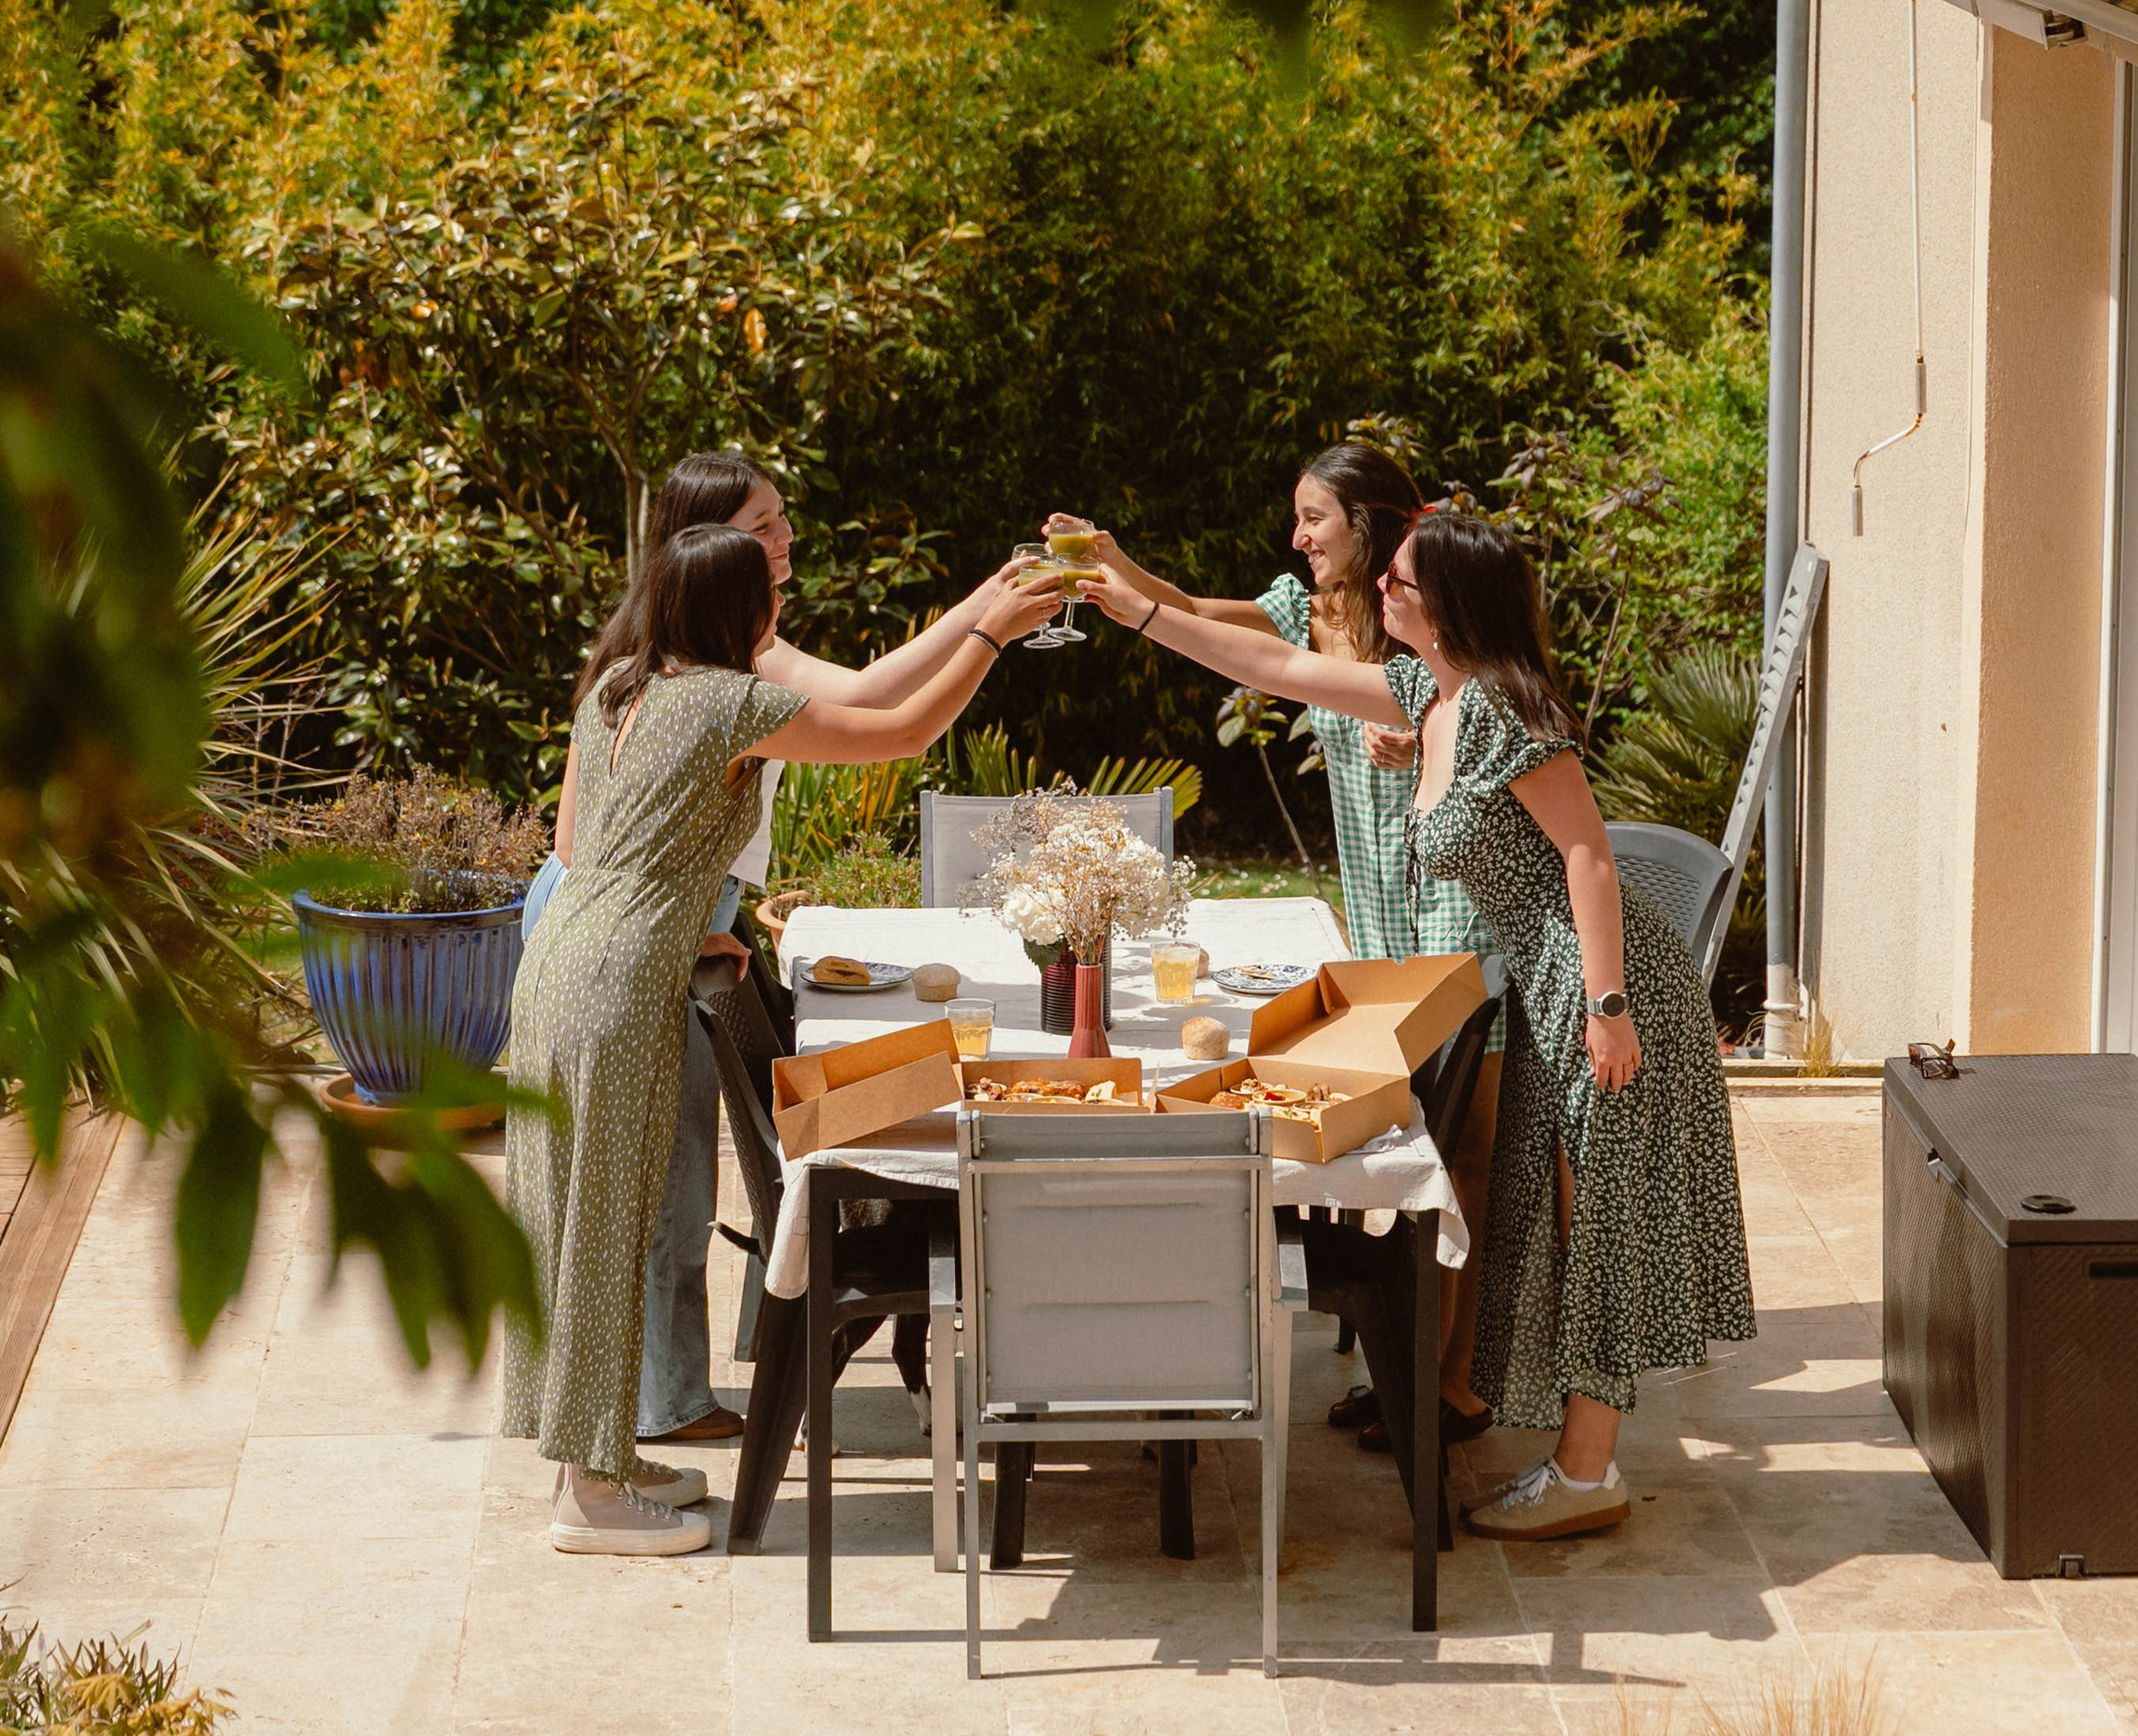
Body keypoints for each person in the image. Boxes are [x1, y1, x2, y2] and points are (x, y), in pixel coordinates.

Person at [1087, 506, 1754, 1542]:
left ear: (1444, 601)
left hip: (1602, 990)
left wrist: (1609, 1007)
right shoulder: (1427, 696)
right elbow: (1269, 668)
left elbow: (1589, 857)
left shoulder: (1499, 707)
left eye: (1398, 581)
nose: (1379, 592)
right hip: (1546, 983)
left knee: (1600, 1228)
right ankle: (1580, 1462)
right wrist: (1136, 613)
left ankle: (1588, 1476)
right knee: (1568, 1222)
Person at [504, 520, 1063, 1557]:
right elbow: (901, 732)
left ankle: (597, 1455)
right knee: (606, 1223)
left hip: (558, 963)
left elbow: (584, 844)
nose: (780, 602)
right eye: (767, 589)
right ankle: (586, 1496)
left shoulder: (618, 689)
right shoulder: (729, 704)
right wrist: (988, 637)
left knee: (567, 1217)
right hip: (620, 984)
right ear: (739, 609)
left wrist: (685, 915)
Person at [1061, 448, 1505, 1448]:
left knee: (1466, 1155)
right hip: (1383, 912)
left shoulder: (1419, 626)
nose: (1298, 538)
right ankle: (1413, 1362)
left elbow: (1468, 711)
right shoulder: (1307, 609)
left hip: (1456, 913)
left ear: (1371, 521)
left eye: (1316, 520)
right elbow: (1206, 617)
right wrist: (1119, 565)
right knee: (1419, 1139)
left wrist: (1421, 726)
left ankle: (1457, 1383)